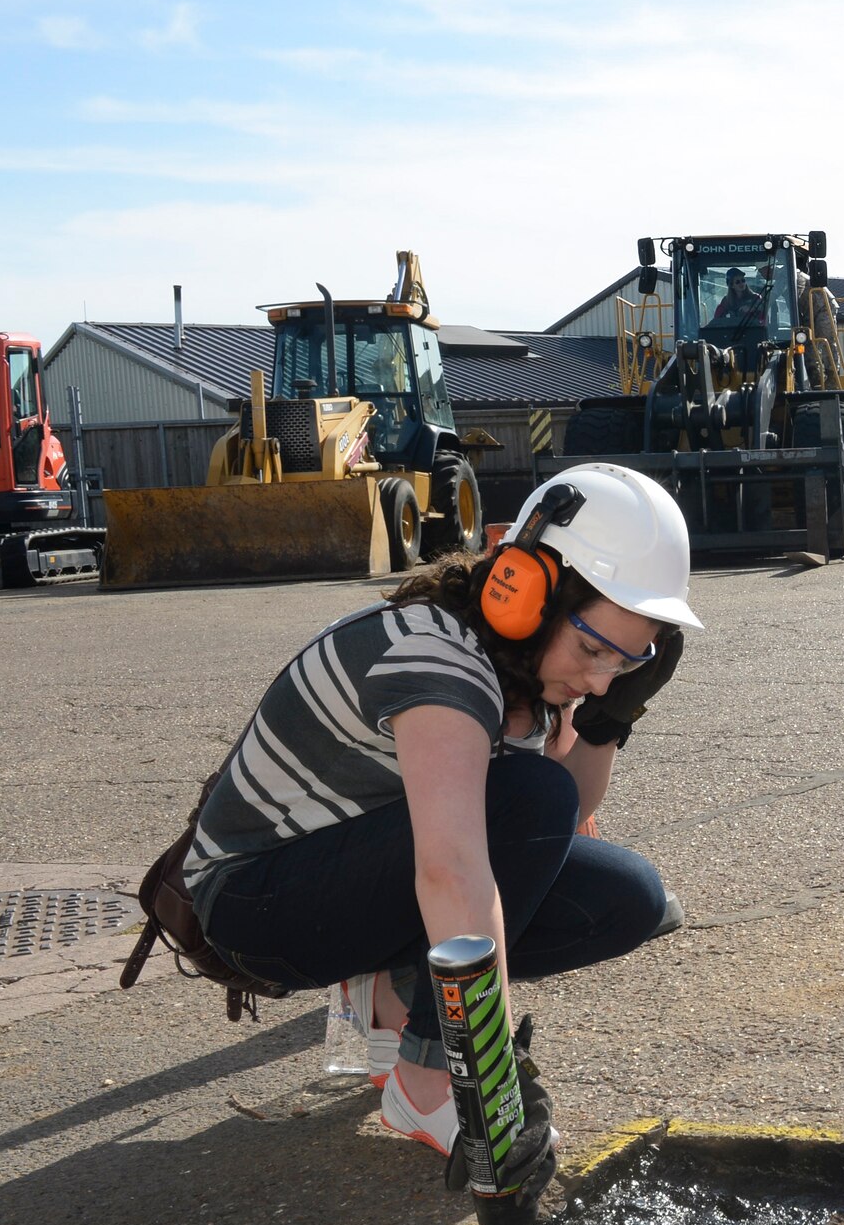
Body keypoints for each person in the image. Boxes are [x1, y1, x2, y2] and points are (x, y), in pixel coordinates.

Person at [184, 464, 700, 1159]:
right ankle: (424, 1077)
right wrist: (485, 1085)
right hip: (254, 900)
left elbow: (559, 814)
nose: (600, 677)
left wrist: (609, 718)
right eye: (592, 650)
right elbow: (456, 868)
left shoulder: (530, 670)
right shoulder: (438, 655)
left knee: (629, 897)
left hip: (355, 871)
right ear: (526, 589)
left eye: (627, 661)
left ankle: (397, 992)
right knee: (529, 798)